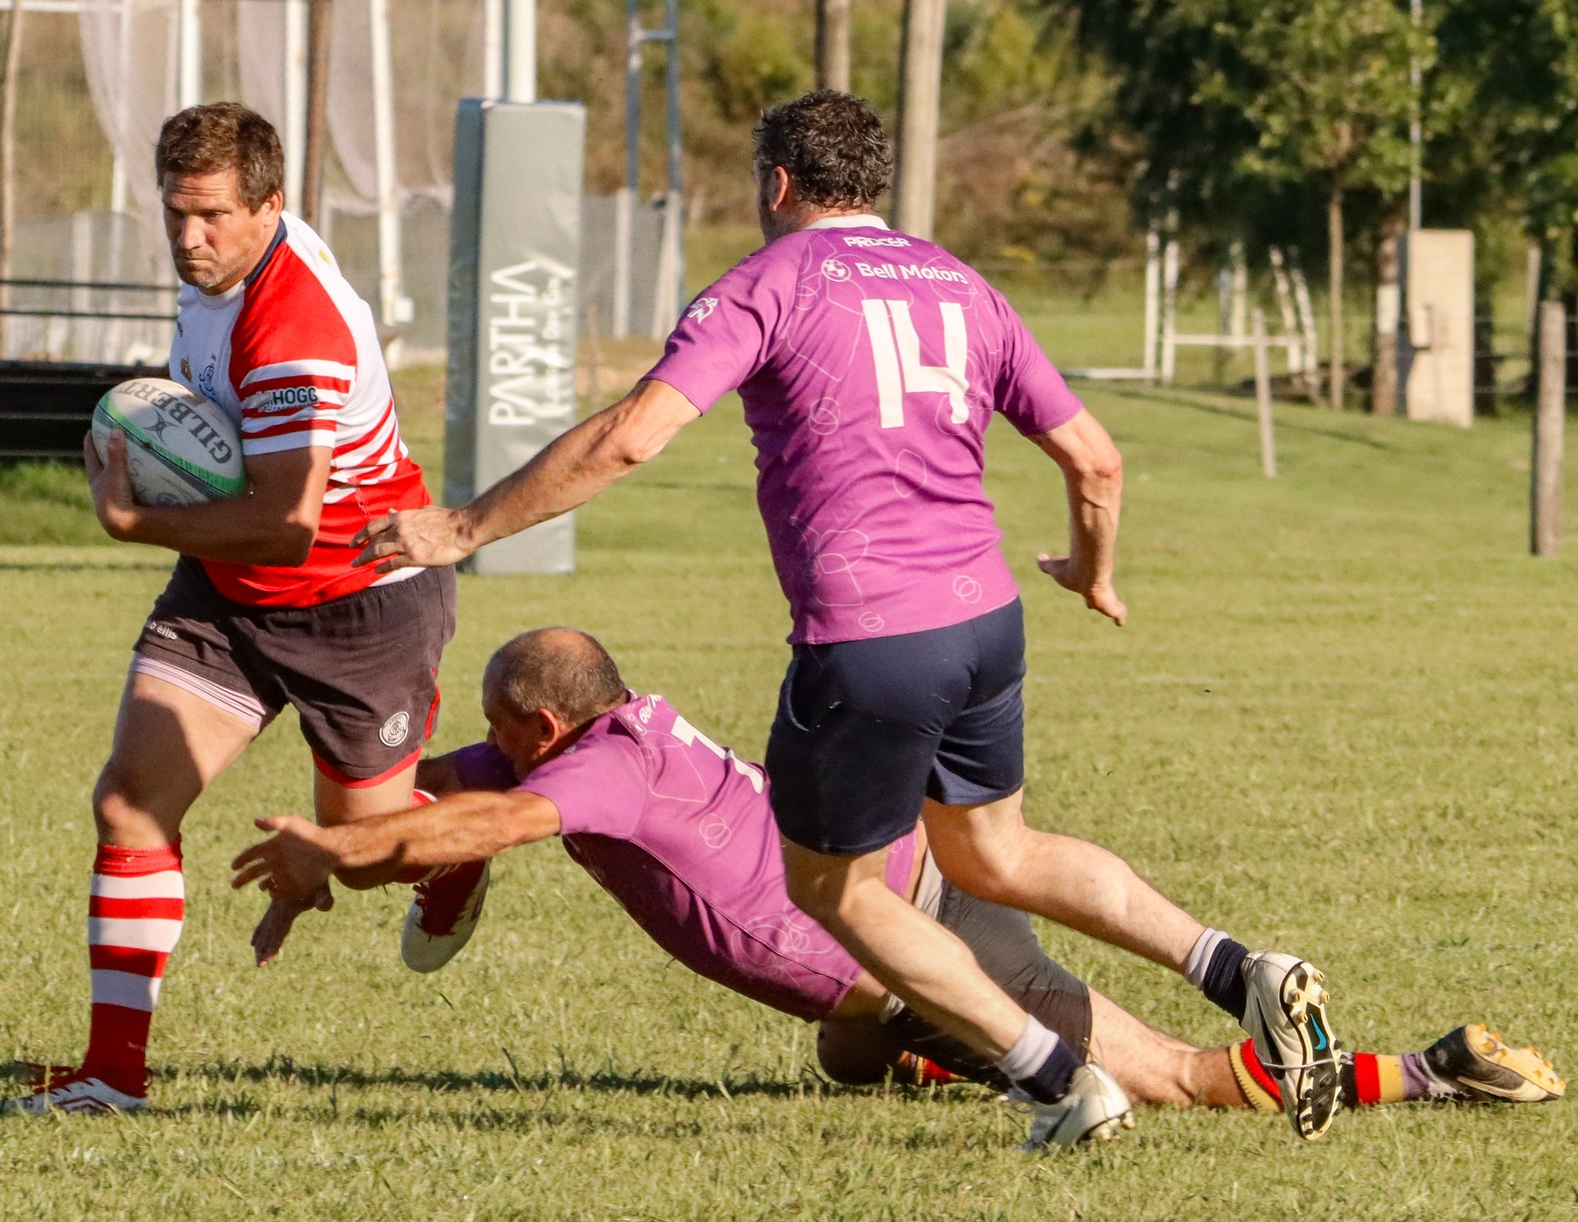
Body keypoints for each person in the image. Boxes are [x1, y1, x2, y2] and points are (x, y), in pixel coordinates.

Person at [351, 90, 1345, 1141]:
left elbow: (632, 437)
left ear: (777, 182)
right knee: (994, 853)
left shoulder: (767, 283)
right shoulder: (961, 283)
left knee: (832, 890)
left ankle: (1057, 1081)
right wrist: (1090, 573)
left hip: (870, 641)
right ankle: (1236, 967)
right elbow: (1095, 460)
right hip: (987, 621)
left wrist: (463, 526)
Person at [232, 630, 1565, 1145]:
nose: (489, 742)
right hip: (888, 918)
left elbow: (499, 819)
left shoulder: (595, 774)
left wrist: (341, 854)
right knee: (845, 1053)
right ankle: (962, 1045)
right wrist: (343, 823)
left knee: (1180, 1077)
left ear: (538, 721)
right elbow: (425, 790)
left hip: (928, 929)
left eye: (496, 724)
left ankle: (1433, 1068)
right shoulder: (612, 730)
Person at [0, 103, 475, 1115]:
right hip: (228, 590)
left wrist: (132, 520)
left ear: (269, 205)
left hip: (360, 600)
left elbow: (286, 525)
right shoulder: (218, 269)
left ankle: (456, 842)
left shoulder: (294, 325)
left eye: (211, 215)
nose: (188, 237)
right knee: (131, 800)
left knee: (361, 853)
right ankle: (112, 1074)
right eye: (174, 212)